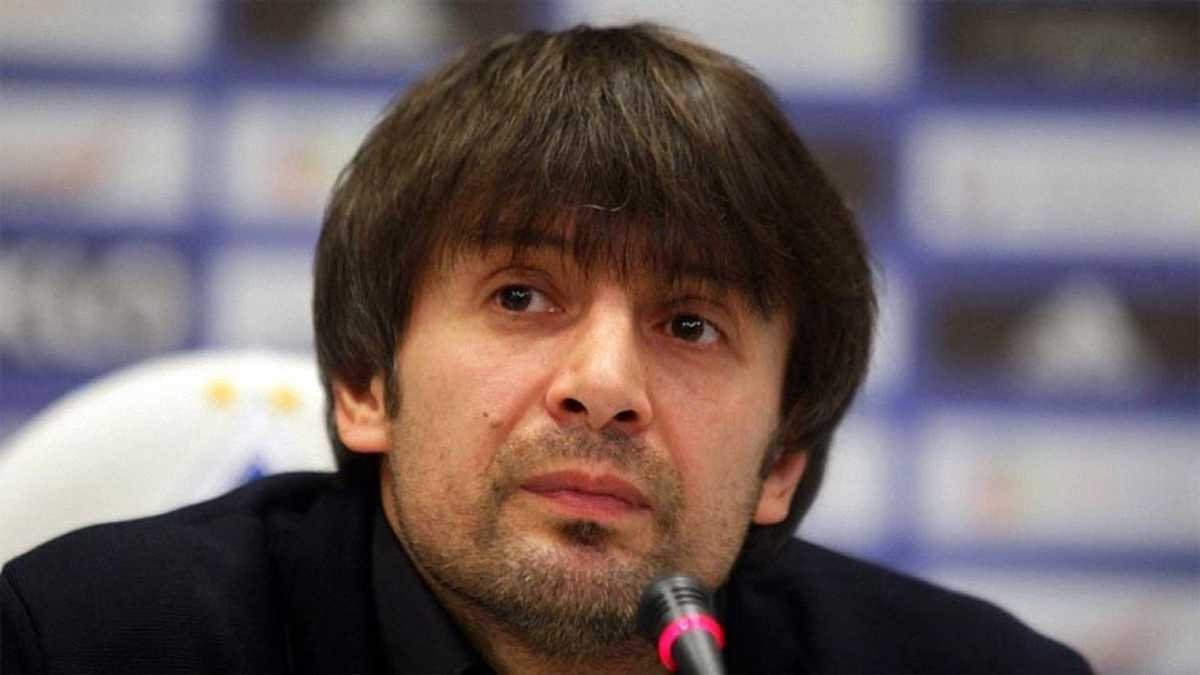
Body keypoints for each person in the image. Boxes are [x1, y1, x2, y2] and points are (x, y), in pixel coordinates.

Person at [2, 24, 1089, 674]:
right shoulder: (88, 644)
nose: (604, 386)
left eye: (691, 325)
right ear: (366, 384)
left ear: (782, 461)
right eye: (522, 296)